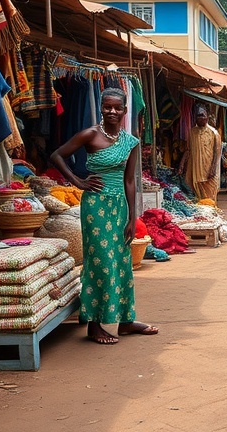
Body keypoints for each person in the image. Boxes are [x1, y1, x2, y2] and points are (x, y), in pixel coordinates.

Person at [50, 87, 158, 345]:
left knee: (121, 261)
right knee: (100, 261)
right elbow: (56, 156)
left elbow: (129, 181)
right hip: (95, 207)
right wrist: (78, 181)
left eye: (117, 108)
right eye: (107, 107)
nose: (112, 111)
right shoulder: (90, 134)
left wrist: (133, 218)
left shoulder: (130, 141)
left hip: (119, 206)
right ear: (101, 108)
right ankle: (95, 324)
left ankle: (125, 321)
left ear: (124, 110)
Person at [179, 104, 222, 204]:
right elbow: (188, 150)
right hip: (196, 170)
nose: (200, 118)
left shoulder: (214, 133)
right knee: (198, 198)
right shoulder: (192, 132)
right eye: (198, 116)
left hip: (209, 172)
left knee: (210, 197)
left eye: (203, 115)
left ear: (207, 117)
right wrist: (181, 164)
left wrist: (212, 169)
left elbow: (217, 153)